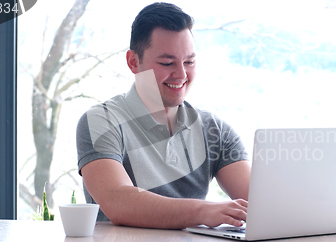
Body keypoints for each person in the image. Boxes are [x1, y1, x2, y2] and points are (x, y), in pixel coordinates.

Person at [76, 2, 250, 229]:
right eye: (167, 63)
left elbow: (263, 204)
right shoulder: (102, 121)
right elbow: (118, 202)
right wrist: (204, 211)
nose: (181, 74)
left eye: (189, 62)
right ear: (133, 62)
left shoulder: (215, 130)